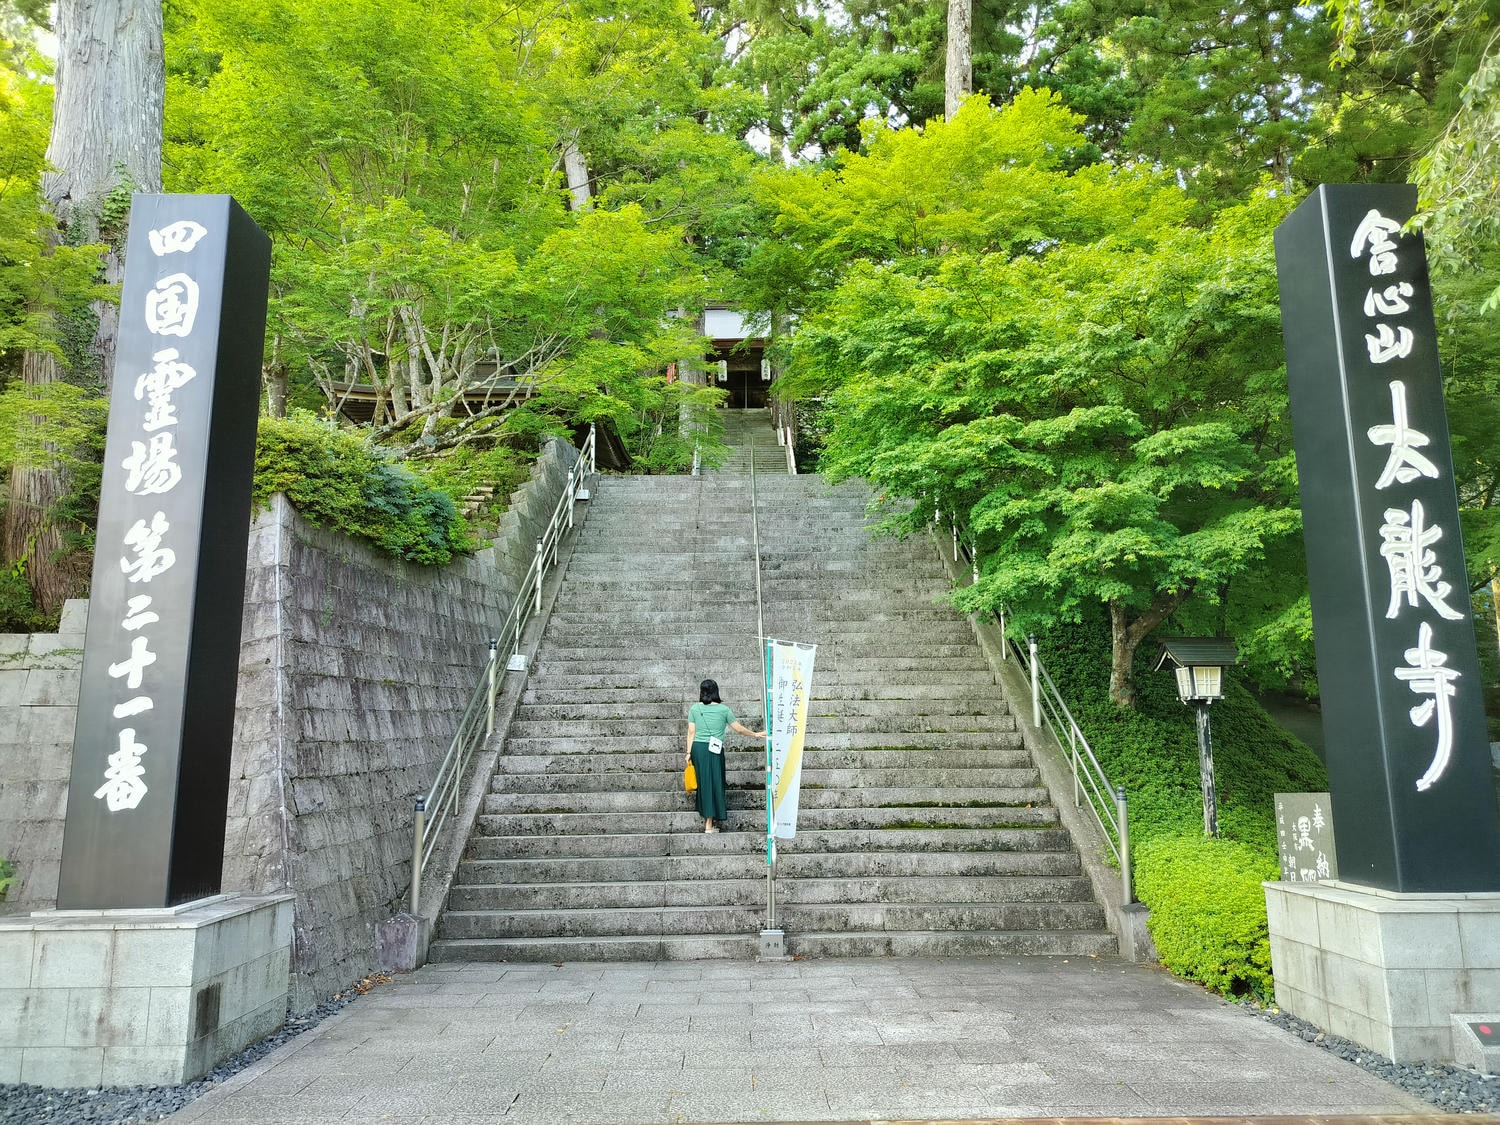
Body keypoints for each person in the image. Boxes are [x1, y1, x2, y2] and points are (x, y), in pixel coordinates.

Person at [685, 677, 765, 833]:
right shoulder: (724, 710)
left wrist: (688, 752)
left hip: (698, 749)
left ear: (701, 692)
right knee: (714, 782)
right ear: (716, 691)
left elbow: (691, 732)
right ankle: (709, 824)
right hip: (714, 749)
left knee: (704, 784)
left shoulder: (695, 709)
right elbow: (739, 729)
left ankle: (709, 819)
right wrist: (755, 734)